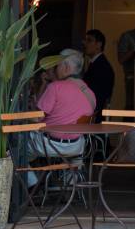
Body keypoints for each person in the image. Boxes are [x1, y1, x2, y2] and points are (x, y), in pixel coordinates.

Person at [27, 48, 96, 186]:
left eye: (57, 64)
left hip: (50, 145)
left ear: (65, 67)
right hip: (77, 147)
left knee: (15, 147)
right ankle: (67, 180)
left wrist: (21, 118)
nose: (55, 68)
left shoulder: (55, 87)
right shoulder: (89, 93)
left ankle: (33, 184)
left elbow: (36, 118)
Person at [83, 29, 115, 122]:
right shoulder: (96, 64)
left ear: (99, 44)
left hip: (95, 116)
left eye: (89, 40)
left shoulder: (102, 67)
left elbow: (98, 95)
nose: (85, 43)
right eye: (85, 40)